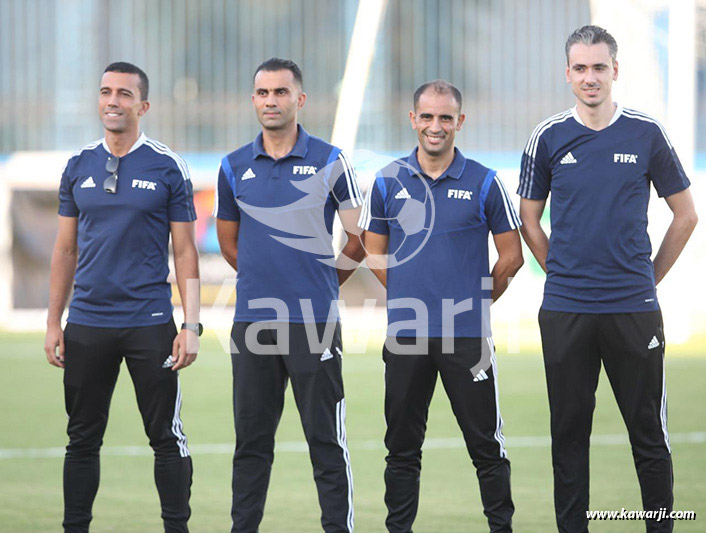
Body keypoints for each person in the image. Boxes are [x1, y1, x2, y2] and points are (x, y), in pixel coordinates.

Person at [517, 25, 698, 533]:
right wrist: (560, 272)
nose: (590, 77)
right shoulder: (547, 136)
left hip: (633, 308)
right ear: (567, 73)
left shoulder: (646, 133)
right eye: (580, 68)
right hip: (567, 310)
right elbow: (528, 218)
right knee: (568, 436)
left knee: (649, 435)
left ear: (615, 70)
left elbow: (685, 215)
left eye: (599, 67)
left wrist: (649, 278)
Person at [359, 80, 523, 533]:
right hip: (407, 335)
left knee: (486, 446)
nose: (436, 126)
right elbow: (373, 250)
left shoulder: (486, 181)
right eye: (427, 117)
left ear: (459, 122)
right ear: (413, 119)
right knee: (402, 448)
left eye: (445, 117)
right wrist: (411, 294)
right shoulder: (387, 180)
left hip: (467, 337)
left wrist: (474, 303)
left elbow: (511, 257)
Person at [44, 62, 200, 533]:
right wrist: (54, 322)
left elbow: (186, 250)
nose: (113, 100)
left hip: (149, 322)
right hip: (88, 323)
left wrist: (190, 326)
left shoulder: (167, 165)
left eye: (124, 94)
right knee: (81, 440)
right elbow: (65, 248)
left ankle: (177, 527)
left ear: (143, 106)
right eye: (106, 92)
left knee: (165, 440)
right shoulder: (78, 166)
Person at [214, 58, 365, 533]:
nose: (271, 101)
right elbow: (229, 242)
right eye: (263, 93)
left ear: (300, 100)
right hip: (253, 323)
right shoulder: (233, 166)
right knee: (251, 443)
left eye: (281, 92)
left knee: (325, 440)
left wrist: (322, 280)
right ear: (253, 99)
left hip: (314, 323)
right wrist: (266, 276)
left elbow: (358, 238)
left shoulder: (330, 160)